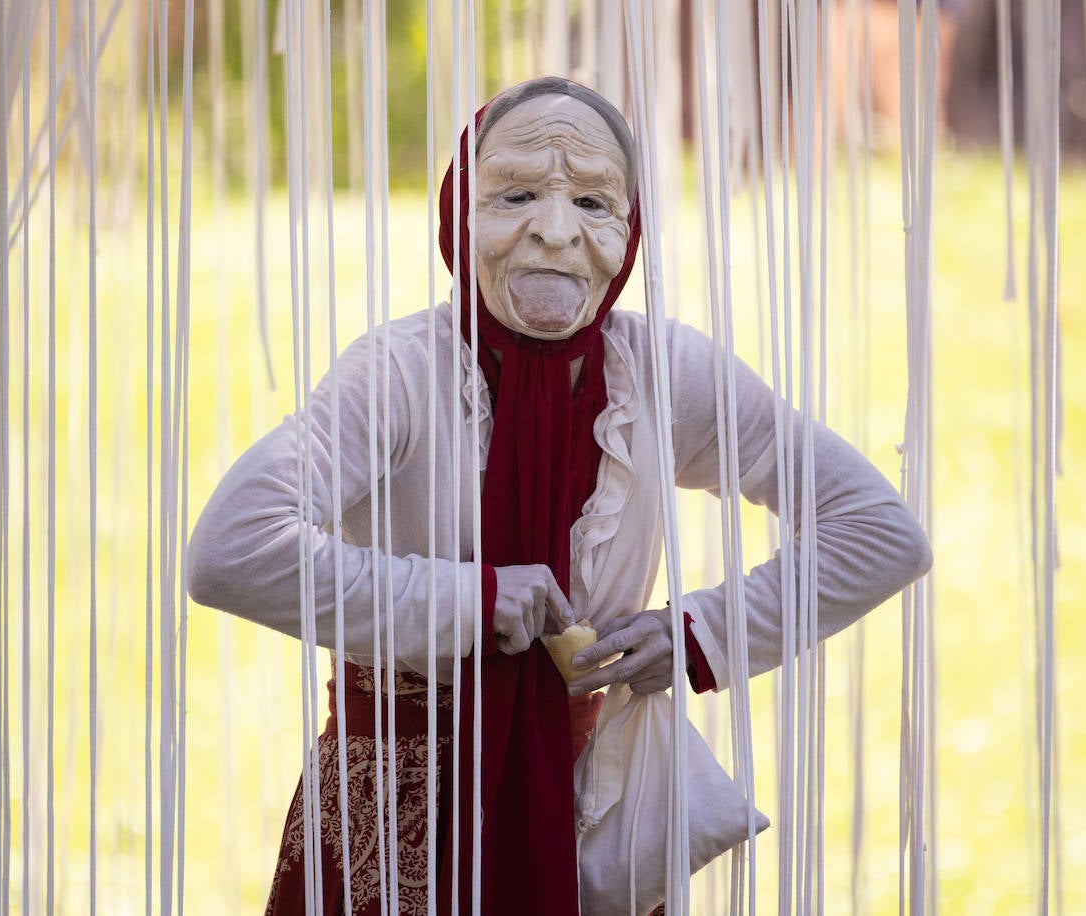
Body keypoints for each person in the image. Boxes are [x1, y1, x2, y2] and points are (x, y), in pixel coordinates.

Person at [187, 76, 932, 916]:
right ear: (460, 212)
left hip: (584, 815)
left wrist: (700, 633)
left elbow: (878, 531)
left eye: (590, 199)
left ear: (630, 227)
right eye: (515, 194)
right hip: (391, 829)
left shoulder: (663, 374)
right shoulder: (397, 374)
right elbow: (230, 550)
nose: (553, 230)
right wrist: (472, 602)